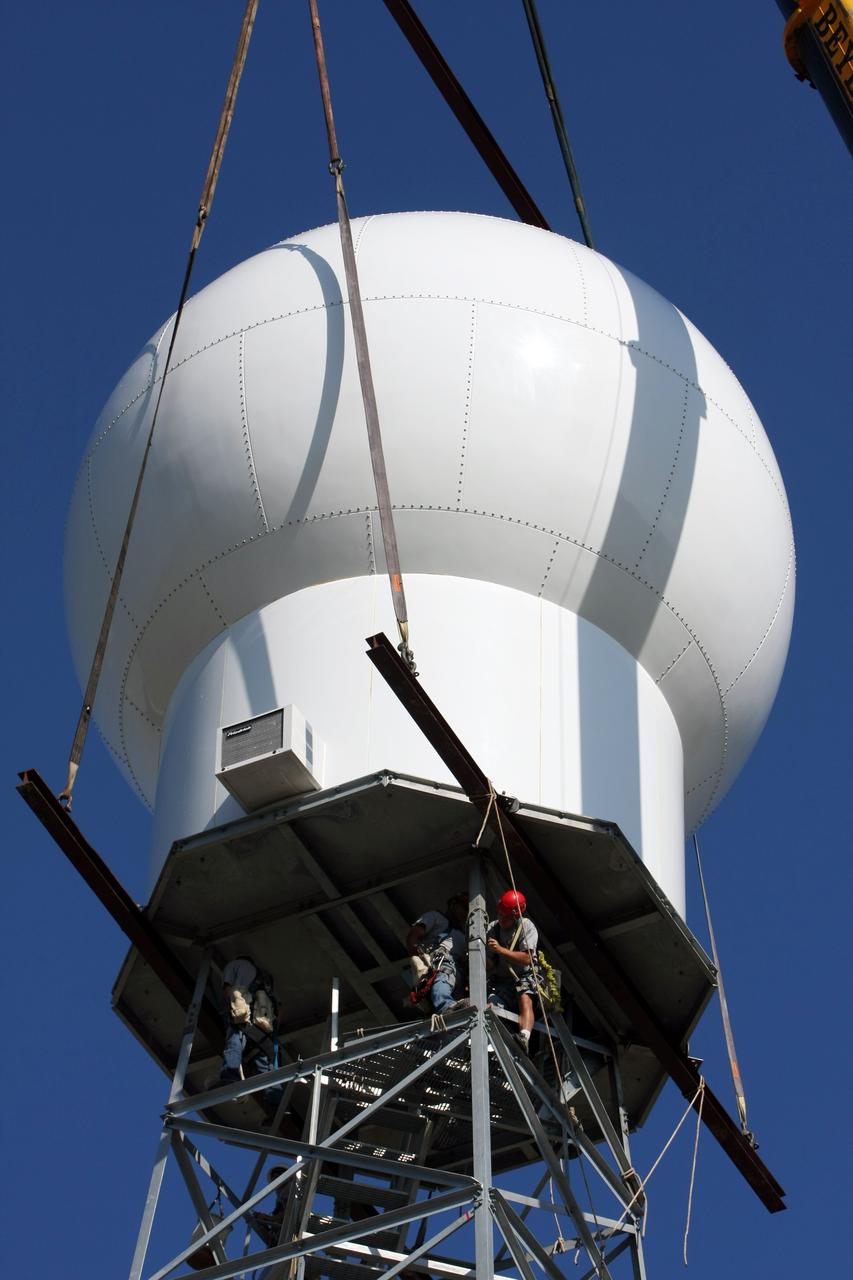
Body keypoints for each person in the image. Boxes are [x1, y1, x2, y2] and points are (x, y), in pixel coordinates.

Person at [220, 955, 282, 1109]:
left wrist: (228, 1010)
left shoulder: (235, 964)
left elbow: (228, 990)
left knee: (234, 1043)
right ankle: (275, 1104)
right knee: (264, 1064)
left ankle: (231, 1075)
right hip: (263, 1028)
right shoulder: (264, 986)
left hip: (243, 1018)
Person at [486, 888, 538, 1053]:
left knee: (525, 997)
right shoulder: (493, 928)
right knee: (492, 1002)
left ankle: (524, 1037)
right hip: (501, 980)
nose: (501, 919)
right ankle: (492, 1039)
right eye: (500, 914)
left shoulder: (526, 926)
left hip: (523, 975)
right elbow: (491, 965)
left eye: (506, 916)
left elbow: (526, 958)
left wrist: (500, 950)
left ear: (515, 915)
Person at [404, 892, 469, 1013]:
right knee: (443, 979)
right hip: (440, 963)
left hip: (458, 974)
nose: (466, 913)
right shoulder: (436, 917)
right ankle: (446, 1006)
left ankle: (454, 1012)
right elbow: (413, 936)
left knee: (458, 1000)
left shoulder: (464, 936)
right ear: (454, 904)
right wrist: (418, 962)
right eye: (464, 908)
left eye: (468, 910)